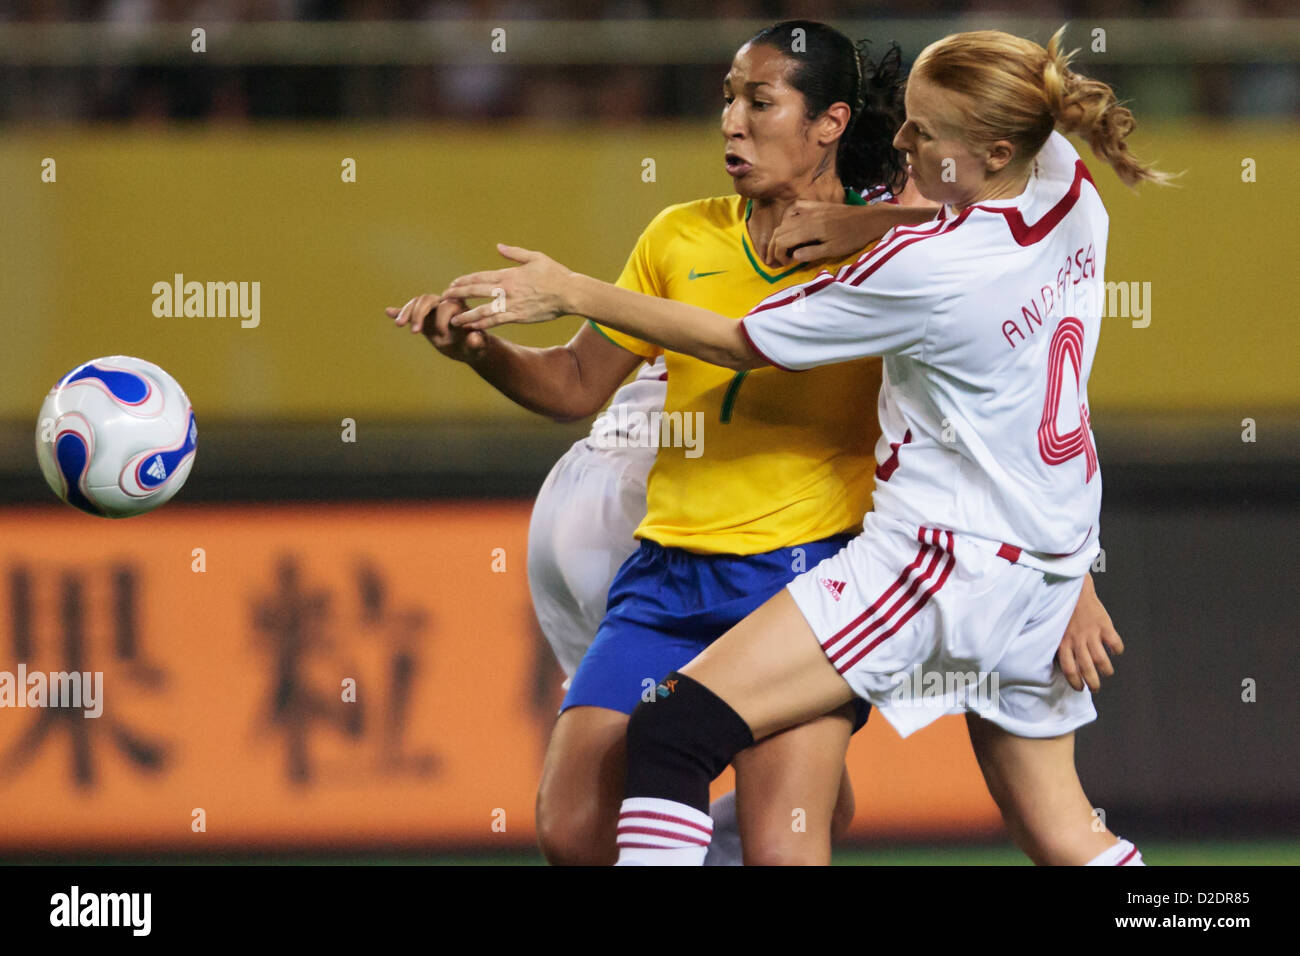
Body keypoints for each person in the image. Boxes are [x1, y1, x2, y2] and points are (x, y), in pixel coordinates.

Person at [441, 26, 1158, 865]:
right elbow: (1049, 399)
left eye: (922, 133)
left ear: (991, 148)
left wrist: (568, 288)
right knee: (1067, 835)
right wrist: (1071, 568)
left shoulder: (918, 271)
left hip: (933, 565)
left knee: (673, 732)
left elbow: (741, 342)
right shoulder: (1066, 190)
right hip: (1034, 561)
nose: (897, 141)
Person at [391, 21, 941, 865]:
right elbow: (576, 385)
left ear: (830, 122)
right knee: (573, 833)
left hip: (803, 586)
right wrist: (481, 352)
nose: (732, 121)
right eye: (728, 99)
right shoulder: (680, 235)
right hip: (667, 576)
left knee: (787, 847)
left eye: (761, 101)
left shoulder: (900, 253)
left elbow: (997, 262)